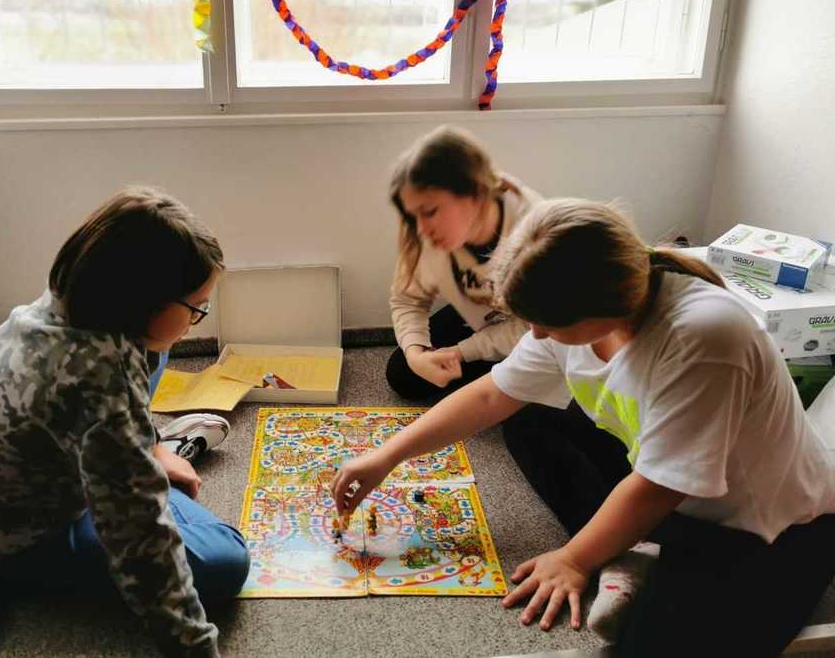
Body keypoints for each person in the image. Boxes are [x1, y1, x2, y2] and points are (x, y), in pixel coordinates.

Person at [334, 198, 835, 657]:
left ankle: (631, 550)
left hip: (767, 530)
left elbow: (659, 487)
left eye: (546, 323)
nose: (535, 334)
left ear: (603, 306)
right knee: (527, 416)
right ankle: (632, 549)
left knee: (648, 646)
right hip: (667, 482)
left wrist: (574, 559)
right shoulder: (580, 318)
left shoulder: (704, 337)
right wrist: (387, 456)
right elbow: (491, 395)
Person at [0, 187, 249, 658]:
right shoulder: (100, 374)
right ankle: (137, 454)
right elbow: (139, 539)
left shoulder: (69, 301)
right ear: (145, 297)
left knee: (155, 349)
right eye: (196, 307)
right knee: (226, 560)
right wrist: (196, 649)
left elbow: (127, 361)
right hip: (9, 541)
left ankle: (145, 446)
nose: (197, 320)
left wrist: (145, 447)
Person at [385, 126, 542, 400]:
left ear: (476, 194)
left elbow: (535, 331)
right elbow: (407, 300)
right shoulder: (421, 231)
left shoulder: (535, 231)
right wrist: (416, 355)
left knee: (521, 411)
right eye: (413, 216)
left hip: (538, 332)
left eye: (430, 212)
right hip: (487, 317)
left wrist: (462, 352)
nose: (421, 229)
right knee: (402, 373)